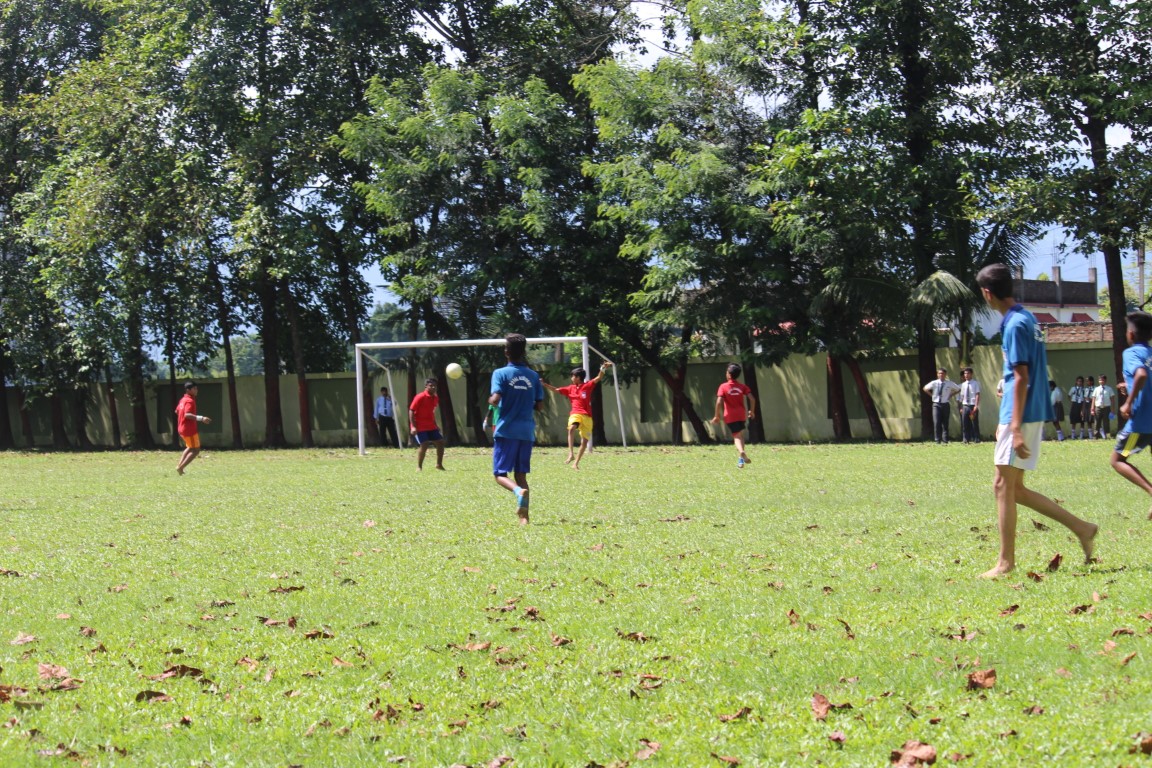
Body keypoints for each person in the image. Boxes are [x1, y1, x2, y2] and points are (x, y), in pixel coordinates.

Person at [975, 263, 1096, 579]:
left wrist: (1014, 425)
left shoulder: (1014, 324)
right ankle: (1082, 527)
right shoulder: (1028, 318)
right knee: (1014, 489)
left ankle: (1005, 563)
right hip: (1028, 410)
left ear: (988, 293)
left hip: (1021, 414)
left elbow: (1021, 377)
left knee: (1003, 485)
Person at [490, 333, 545, 524]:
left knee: (499, 474)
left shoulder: (500, 373)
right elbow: (539, 406)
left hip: (507, 430)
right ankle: (525, 519)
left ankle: (517, 492)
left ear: (506, 352)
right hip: (527, 432)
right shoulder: (533, 375)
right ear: (523, 352)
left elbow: (495, 400)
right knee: (520, 474)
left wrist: (491, 401)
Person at [1111, 312, 1152, 518]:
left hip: (1140, 425)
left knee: (1118, 459)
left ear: (1131, 335)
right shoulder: (1151, 353)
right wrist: (1128, 386)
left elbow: (1142, 375)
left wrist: (1128, 403)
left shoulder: (1131, 353)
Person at [543, 362, 613, 469]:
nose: (571, 377)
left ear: (578, 377)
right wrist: (544, 384)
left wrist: (603, 367)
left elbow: (599, 377)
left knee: (584, 442)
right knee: (571, 428)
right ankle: (570, 453)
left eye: (573, 376)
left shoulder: (587, 386)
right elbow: (556, 390)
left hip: (587, 417)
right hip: (576, 414)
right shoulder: (570, 388)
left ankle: (575, 463)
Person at [712, 363, 757, 468]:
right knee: (740, 435)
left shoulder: (723, 386)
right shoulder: (742, 386)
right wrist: (752, 411)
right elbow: (752, 399)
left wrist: (716, 415)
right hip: (741, 414)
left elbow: (719, 402)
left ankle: (741, 452)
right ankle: (741, 460)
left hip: (730, 416)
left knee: (736, 436)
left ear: (728, 374)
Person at [175, 381, 212, 475]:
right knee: (195, 450)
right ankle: (181, 467)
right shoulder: (190, 401)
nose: (196, 390)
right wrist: (201, 418)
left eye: (196, 388)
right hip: (189, 429)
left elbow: (176, 411)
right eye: (194, 389)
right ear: (188, 390)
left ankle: (179, 466)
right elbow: (187, 415)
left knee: (189, 447)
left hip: (182, 428)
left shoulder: (183, 400)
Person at [409, 378, 445, 470]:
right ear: (426, 386)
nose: (433, 387)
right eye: (431, 386)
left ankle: (439, 465)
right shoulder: (420, 397)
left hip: (430, 425)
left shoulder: (436, 398)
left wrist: (436, 425)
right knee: (424, 444)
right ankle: (419, 467)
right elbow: (411, 411)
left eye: (435, 386)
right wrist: (413, 427)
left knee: (440, 442)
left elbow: (431, 412)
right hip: (419, 426)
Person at [923, 368, 961, 444]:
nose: (941, 375)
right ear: (937, 374)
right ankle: (937, 439)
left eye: (943, 373)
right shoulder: (934, 383)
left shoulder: (949, 383)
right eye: (939, 373)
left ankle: (945, 439)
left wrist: (951, 394)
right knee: (937, 422)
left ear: (945, 374)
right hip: (936, 404)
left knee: (945, 422)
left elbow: (958, 389)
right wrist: (932, 396)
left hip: (945, 404)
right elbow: (925, 388)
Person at [958, 367, 981, 444]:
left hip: (972, 406)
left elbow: (977, 394)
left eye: (968, 373)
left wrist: (976, 405)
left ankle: (976, 438)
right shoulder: (963, 385)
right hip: (965, 406)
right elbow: (961, 396)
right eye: (965, 373)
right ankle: (965, 439)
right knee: (965, 423)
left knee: (974, 423)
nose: (966, 375)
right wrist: (961, 407)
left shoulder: (975, 383)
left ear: (971, 374)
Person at [1091, 374, 1116, 440]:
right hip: (1098, 408)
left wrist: (1113, 409)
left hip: (1106, 408)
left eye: (1102, 380)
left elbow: (1112, 399)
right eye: (1099, 380)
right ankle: (1095, 436)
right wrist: (1092, 408)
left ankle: (1107, 436)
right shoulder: (1096, 389)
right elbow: (1093, 398)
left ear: (1105, 380)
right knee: (1097, 423)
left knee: (1106, 423)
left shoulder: (1109, 389)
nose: (1101, 381)